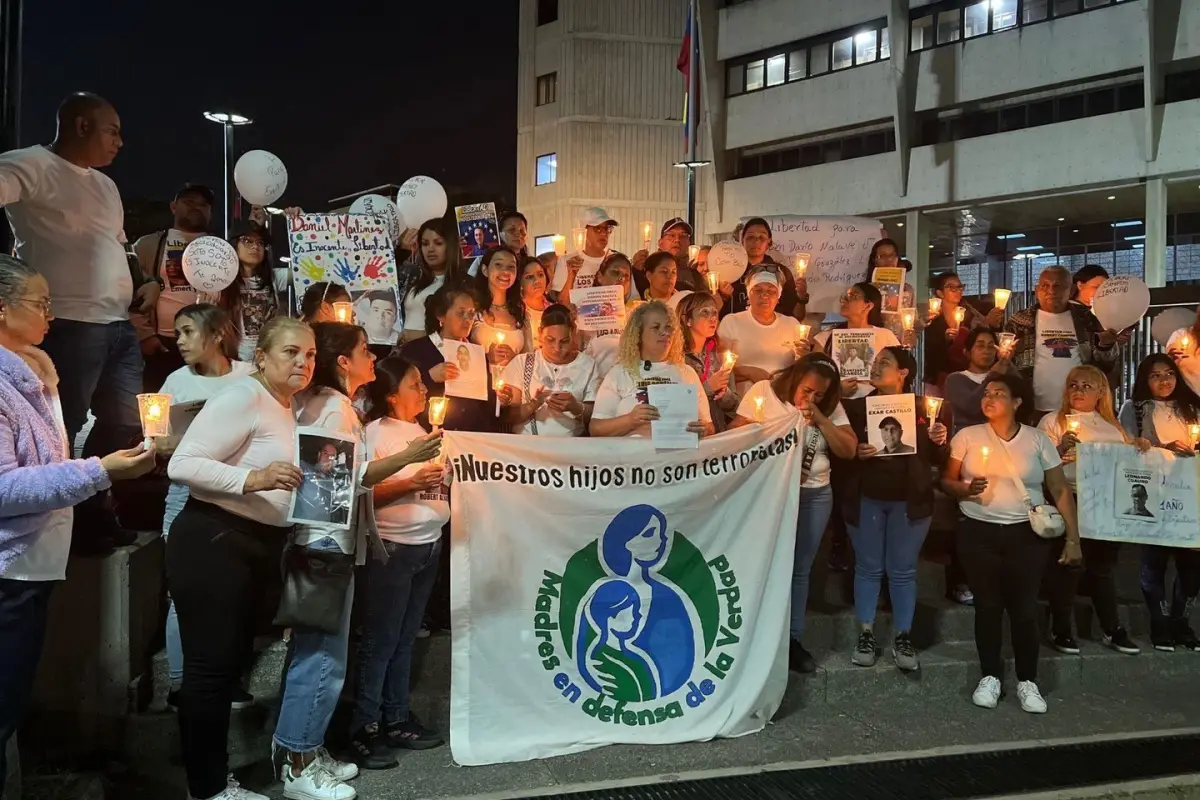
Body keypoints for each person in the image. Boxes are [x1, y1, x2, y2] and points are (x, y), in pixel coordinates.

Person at [0, 254, 156, 787]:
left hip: (33, 565)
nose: (51, 314)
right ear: (2, 308)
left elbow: (45, 464)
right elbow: (4, 488)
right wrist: (99, 471)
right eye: (41, 303)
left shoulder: (33, 374)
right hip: (8, 572)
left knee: (12, 702)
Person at [275, 321, 440, 798]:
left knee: (320, 655)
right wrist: (406, 459)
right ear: (344, 362)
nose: (373, 357)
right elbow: (329, 485)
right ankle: (298, 764)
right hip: (325, 544)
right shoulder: (333, 409)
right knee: (322, 658)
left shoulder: (328, 405)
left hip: (327, 541)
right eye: (365, 350)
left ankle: (306, 749)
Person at [165, 316, 313, 800]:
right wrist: (254, 480)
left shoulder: (285, 404)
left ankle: (211, 781)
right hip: (215, 540)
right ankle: (208, 788)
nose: (303, 362)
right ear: (262, 358)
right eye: (291, 352)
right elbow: (182, 463)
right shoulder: (243, 397)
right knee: (209, 672)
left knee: (225, 669)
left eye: (310, 354)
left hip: (251, 544)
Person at [0, 93, 153, 547]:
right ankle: (50, 527)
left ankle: (92, 512)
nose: (120, 142)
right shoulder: (30, 164)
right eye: (113, 131)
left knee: (125, 420)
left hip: (118, 324)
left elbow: (119, 243)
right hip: (65, 322)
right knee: (58, 426)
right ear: (82, 126)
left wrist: (144, 280)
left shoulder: (106, 186)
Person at [941, 372, 1081, 715]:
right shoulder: (967, 436)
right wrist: (964, 489)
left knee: (1024, 609)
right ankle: (990, 676)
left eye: (998, 394)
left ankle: (1027, 680)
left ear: (1017, 402)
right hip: (978, 533)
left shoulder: (1037, 440)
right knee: (987, 607)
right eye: (986, 393)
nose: (988, 399)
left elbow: (1059, 488)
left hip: (1025, 535)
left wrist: (1073, 538)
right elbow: (947, 480)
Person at [348, 357, 450, 768]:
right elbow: (363, 493)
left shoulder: (423, 432)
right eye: (415, 384)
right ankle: (364, 725)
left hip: (428, 547)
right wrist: (411, 482)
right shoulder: (376, 433)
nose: (424, 390)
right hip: (392, 550)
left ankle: (396, 717)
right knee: (381, 640)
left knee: (405, 639)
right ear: (392, 395)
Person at [729, 354, 855, 672]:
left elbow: (848, 449)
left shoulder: (829, 408)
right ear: (795, 379)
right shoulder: (764, 392)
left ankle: (792, 640)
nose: (810, 398)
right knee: (764, 564)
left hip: (813, 494)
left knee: (800, 570)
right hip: (769, 493)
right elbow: (732, 437)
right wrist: (757, 432)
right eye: (806, 390)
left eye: (819, 395)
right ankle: (753, 638)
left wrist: (821, 419)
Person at [156, 304, 255, 709]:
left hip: (240, 500)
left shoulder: (248, 377)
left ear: (216, 335)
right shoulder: (175, 383)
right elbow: (154, 443)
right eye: (177, 332)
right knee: (183, 596)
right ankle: (181, 684)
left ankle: (228, 679)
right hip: (185, 497)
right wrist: (165, 444)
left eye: (187, 332)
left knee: (235, 596)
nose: (179, 341)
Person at [837, 346, 948, 671]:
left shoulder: (924, 409)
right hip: (866, 499)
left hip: (910, 503)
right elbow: (841, 452)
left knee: (902, 571)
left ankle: (903, 636)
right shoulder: (856, 409)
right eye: (875, 361)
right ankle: (866, 634)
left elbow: (938, 459)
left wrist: (939, 440)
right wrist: (856, 451)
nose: (875, 366)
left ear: (903, 373)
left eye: (884, 362)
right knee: (868, 567)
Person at [1037, 365, 1147, 656]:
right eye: (1073, 385)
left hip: (1106, 503)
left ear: (1101, 393)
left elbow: (1127, 465)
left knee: (1102, 569)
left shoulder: (1113, 427)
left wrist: (1139, 448)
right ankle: (1061, 627)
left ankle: (1112, 628)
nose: (1078, 390)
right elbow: (1035, 464)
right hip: (1069, 498)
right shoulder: (1052, 421)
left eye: (1087, 386)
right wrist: (1059, 450)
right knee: (1069, 566)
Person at [1117, 354, 1200, 651]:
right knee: (1154, 562)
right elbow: (1126, 447)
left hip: (1190, 496)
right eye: (1155, 375)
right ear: (1144, 379)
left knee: (1192, 565)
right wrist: (1161, 447)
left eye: (1169, 374)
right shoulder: (1134, 409)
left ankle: (1181, 622)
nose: (1164, 381)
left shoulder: (1192, 407)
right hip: (1154, 495)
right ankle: (1159, 621)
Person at [1004, 265, 1121, 417]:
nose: (1051, 291)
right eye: (1045, 285)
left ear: (1071, 290)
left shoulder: (1087, 319)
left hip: (1078, 408)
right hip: (1031, 409)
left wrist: (1105, 345)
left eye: (1058, 286)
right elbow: (1006, 364)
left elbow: (1105, 366)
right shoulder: (1020, 321)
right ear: (1037, 290)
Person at [132, 183, 217, 389]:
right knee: (159, 402)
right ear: (173, 207)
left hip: (205, 344)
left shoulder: (220, 249)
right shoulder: (147, 245)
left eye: (203, 205)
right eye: (189, 202)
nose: (196, 207)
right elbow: (129, 291)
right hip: (161, 345)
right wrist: (146, 336)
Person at [590, 300, 713, 439]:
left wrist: (704, 429)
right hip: (632, 451)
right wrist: (630, 420)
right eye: (656, 327)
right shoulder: (619, 373)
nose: (665, 333)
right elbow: (596, 429)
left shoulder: (687, 373)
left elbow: (709, 426)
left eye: (668, 327)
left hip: (678, 452)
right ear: (638, 334)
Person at [400, 285, 498, 434]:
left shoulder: (478, 353)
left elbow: (487, 405)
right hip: (431, 436)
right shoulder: (415, 351)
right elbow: (399, 396)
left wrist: (501, 397)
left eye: (471, 314)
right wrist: (429, 377)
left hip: (473, 437)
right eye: (460, 313)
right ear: (441, 316)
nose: (467, 319)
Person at [499, 304, 599, 436]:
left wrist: (575, 407)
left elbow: (596, 418)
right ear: (540, 333)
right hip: (528, 444)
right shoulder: (522, 363)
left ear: (573, 333)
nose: (557, 348)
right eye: (550, 340)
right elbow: (509, 417)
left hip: (572, 444)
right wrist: (532, 405)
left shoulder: (588, 365)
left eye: (564, 341)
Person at [813, 282, 903, 400]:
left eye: (853, 296)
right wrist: (837, 389)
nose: (845, 301)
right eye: (844, 297)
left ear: (868, 306)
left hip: (876, 402)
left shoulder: (885, 336)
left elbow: (898, 375)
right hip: (838, 403)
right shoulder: (825, 338)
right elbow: (815, 376)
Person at [717, 269, 802, 392]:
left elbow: (801, 371)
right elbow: (718, 368)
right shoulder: (731, 322)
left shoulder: (791, 324)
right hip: (744, 397)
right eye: (758, 290)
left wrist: (804, 356)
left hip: (782, 396)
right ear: (748, 294)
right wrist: (749, 372)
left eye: (771, 291)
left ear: (778, 297)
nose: (764, 296)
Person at [923, 272, 1004, 391]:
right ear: (940, 293)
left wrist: (990, 325)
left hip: (966, 374)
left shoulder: (970, 314)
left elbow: (980, 339)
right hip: (940, 375)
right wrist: (945, 341)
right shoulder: (932, 317)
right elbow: (929, 351)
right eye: (952, 287)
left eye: (960, 287)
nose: (958, 291)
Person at [218, 222, 282, 362]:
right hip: (235, 360)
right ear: (234, 244)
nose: (255, 247)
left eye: (260, 243)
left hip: (269, 359)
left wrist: (299, 220)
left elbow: (304, 270)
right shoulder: (220, 282)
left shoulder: (274, 278)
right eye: (247, 241)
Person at [719, 218, 805, 320]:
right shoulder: (727, 272)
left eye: (761, 237)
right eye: (750, 237)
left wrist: (802, 296)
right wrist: (722, 296)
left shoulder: (782, 274)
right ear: (742, 241)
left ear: (769, 242)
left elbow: (796, 317)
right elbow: (714, 314)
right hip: (735, 328)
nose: (756, 241)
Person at [677, 291, 738, 431]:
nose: (713, 318)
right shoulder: (676, 358)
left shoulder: (720, 355)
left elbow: (735, 407)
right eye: (704, 312)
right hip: (691, 433)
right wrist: (708, 388)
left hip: (718, 433)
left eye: (715, 312)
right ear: (687, 320)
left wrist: (724, 394)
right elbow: (675, 404)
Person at [396, 218, 463, 342]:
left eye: (438, 243)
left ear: (451, 245)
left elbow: (462, 330)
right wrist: (402, 251)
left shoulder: (462, 284)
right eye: (425, 244)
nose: (430, 249)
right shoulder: (415, 277)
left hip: (436, 351)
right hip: (404, 350)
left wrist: (419, 336)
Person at [944, 328, 1016, 436]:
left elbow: (1024, 395)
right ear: (967, 352)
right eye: (980, 346)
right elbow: (972, 407)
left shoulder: (1003, 376)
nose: (986, 351)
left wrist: (1007, 362)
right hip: (968, 438)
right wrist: (993, 375)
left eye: (991, 347)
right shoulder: (955, 379)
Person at [471, 246, 528, 370]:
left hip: (513, 379)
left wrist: (515, 359)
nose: (505, 271)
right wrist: (486, 358)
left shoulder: (521, 312)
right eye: (498, 265)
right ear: (485, 270)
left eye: (511, 267)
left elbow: (530, 361)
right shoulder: (472, 309)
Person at [551, 207, 617, 295]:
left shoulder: (616, 261)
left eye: (607, 228)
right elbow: (561, 301)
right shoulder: (567, 261)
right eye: (597, 228)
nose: (604, 233)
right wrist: (571, 275)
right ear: (583, 230)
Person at [466, 211, 530, 277]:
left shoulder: (528, 257)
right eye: (512, 230)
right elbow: (471, 279)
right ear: (500, 234)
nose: (518, 234)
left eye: (522, 230)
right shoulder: (486, 256)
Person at [519, 256, 551, 340]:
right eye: (529, 277)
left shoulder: (553, 310)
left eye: (540, 275)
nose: (537, 281)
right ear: (520, 282)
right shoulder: (516, 311)